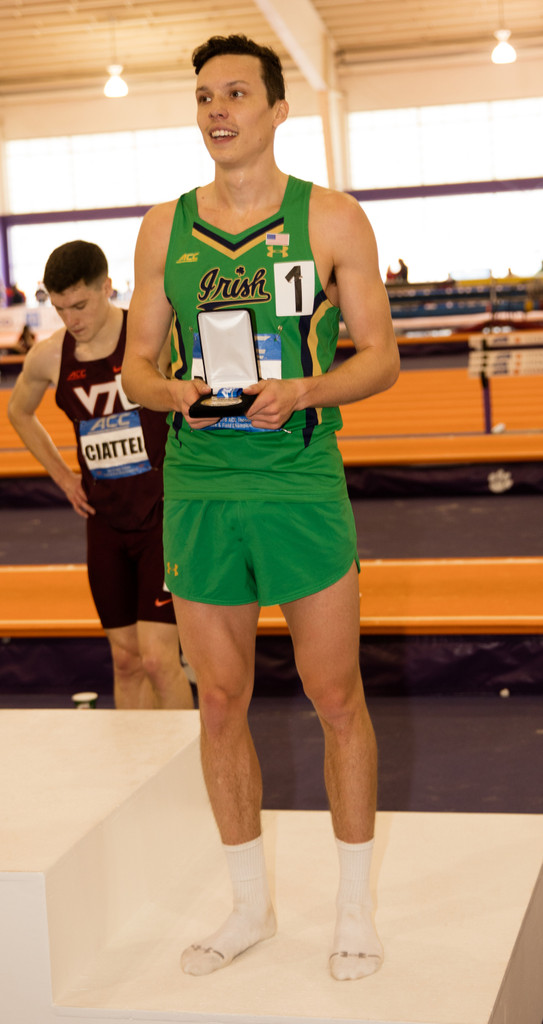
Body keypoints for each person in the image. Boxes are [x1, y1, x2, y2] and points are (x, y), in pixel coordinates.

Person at [122, 34, 399, 978]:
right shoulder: (161, 228)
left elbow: (380, 357)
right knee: (219, 702)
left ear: (278, 109)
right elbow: (137, 365)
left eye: (236, 93)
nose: (217, 110)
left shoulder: (331, 219)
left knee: (335, 696)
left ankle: (354, 910)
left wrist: (307, 390)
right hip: (200, 484)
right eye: (205, 96)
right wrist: (172, 394)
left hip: (296, 479)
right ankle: (248, 907)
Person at [8, 240, 194, 711]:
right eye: (60, 308)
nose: (71, 319)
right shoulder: (50, 357)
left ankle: (187, 759)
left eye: (80, 305)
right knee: (126, 660)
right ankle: (136, 758)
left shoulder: (150, 339)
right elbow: (18, 412)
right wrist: (62, 476)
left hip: (162, 516)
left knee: (158, 659)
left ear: (107, 288)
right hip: (105, 522)